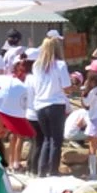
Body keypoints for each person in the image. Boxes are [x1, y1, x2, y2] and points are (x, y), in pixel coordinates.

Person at [31, 37, 72, 178]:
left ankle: (42, 171)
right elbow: (66, 87)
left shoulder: (36, 65)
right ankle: (53, 171)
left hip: (40, 105)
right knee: (56, 140)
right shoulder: (60, 65)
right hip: (55, 104)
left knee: (46, 139)